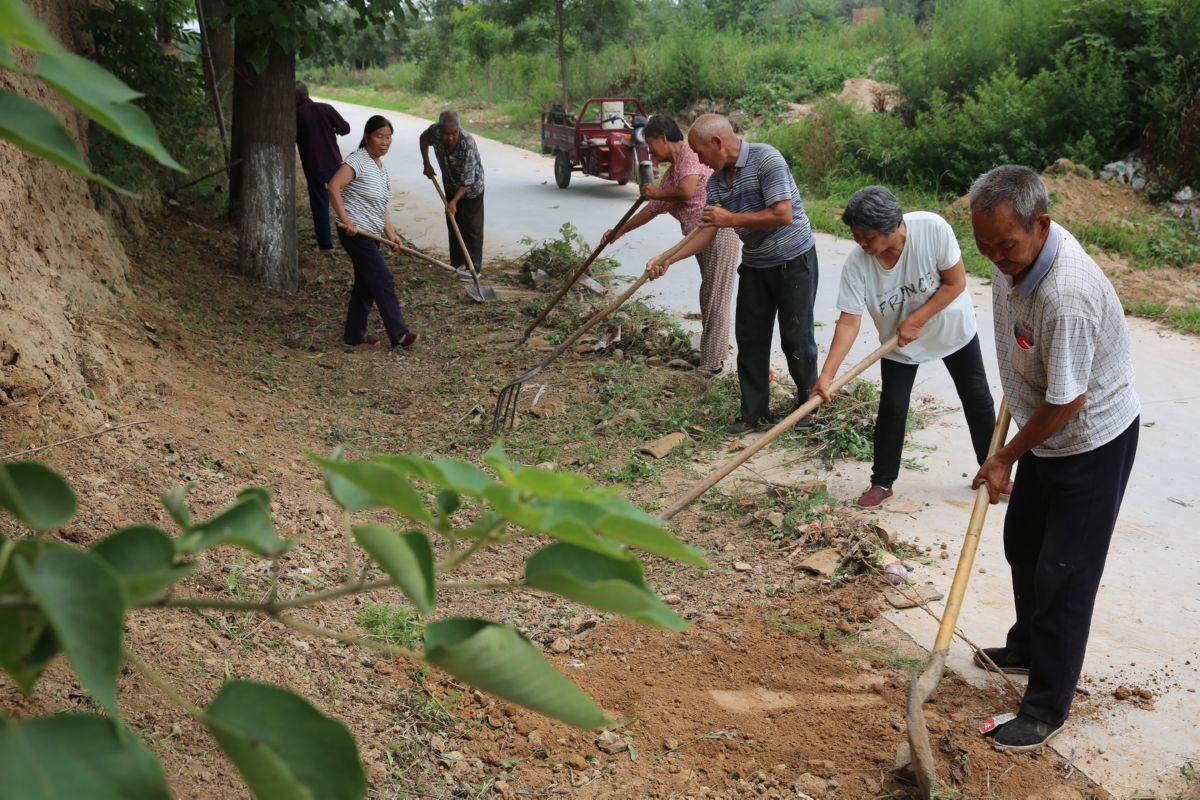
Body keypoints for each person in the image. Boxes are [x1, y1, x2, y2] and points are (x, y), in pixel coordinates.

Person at [969, 165, 1139, 751]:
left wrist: (1004, 458)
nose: (994, 257)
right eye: (983, 245)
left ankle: (1046, 708)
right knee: (1024, 544)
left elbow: (1068, 400)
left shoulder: (1067, 291)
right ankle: (1027, 648)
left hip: (1090, 439)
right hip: (1044, 426)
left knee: (1064, 573)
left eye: (1005, 246)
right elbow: (1023, 349)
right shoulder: (1009, 256)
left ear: (1040, 226)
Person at [810, 186, 996, 508]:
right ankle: (882, 482)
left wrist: (918, 319)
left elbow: (956, 282)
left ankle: (993, 470)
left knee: (977, 397)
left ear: (892, 226)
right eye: (856, 237)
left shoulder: (932, 229)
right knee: (893, 407)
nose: (861, 244)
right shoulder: (858, 264)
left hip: (952, 329)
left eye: (867, 237)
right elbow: (849, 322)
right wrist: (827, 376)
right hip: (901, 347)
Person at [646, 113, 818, 433]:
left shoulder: (767, 159)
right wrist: (669, 258)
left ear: (717, 142)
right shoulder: (714, 183)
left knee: (796, 338)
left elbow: (782, 214)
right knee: (750, 338)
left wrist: (731, 218)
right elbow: (706, 231)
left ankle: (807, 405)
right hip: (755, 263)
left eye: (700, 152)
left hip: (793, 260)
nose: (698, 159)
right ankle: (754, 413)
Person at [602, 115, 739, 374]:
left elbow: (686, 191)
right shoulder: (671, 173)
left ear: (663, 138)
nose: (651, 154)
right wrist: (619, 231)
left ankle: (712, 364)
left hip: (719, 231)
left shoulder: (689, 154)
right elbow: (653, 209)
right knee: (709, 293)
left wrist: (657, 192)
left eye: (652, 146)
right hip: (698, 237)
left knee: (715, 295)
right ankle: (714, 354)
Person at [328, 115, 419, 349]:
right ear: (367, 137)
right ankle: (399, 333)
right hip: (357, 234)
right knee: (383, 278)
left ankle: (354, 335)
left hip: (373, 234)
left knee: (366, 284)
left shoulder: (380, 167)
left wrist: (392, 234)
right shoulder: (356, 161)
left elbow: (381, 205)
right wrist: (346, 220)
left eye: (389, 138)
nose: (385, 142)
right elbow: (334, 186)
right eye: (380, 137)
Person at [420, 111, 485, 277]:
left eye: (453, 133)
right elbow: (423, 139)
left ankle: (474, 269)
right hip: (450, 184)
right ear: (440, 130)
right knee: (453, 223)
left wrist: (454, 202)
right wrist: (426, 163)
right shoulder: (434, 132)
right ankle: (457, 265)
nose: (449, 137)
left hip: (471, 189)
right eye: (446, 134)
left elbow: (467, 181)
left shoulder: (467, 143)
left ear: (459, 129)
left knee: (471, 228)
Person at [295, 81, 350, 251]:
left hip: (313, 167)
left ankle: (325, 244)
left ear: (298, 97)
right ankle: (354, 234)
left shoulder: (295, 115)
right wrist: (333, 130)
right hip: (334, 163)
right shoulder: (326, 108)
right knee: (345, 201)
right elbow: (345, 128)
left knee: (320, 204)